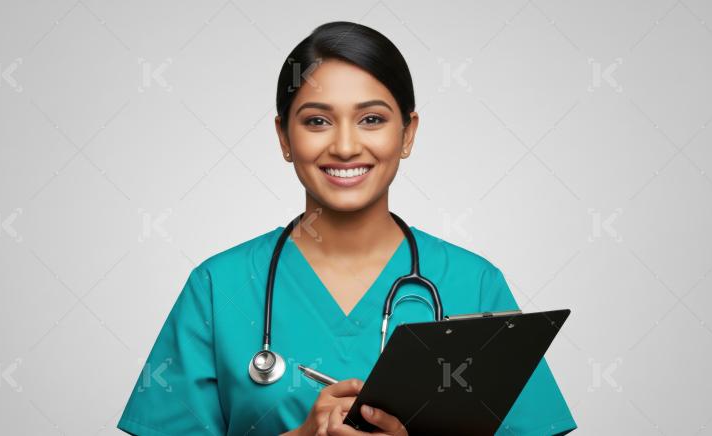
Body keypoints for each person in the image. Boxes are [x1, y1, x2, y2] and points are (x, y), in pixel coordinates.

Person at [117, 21, 578, 436]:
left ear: (408, 133)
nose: (344, 145)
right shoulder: (218, 288)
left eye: (371, 119)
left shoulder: (474, 285)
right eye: (317, 121)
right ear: (284, 137)